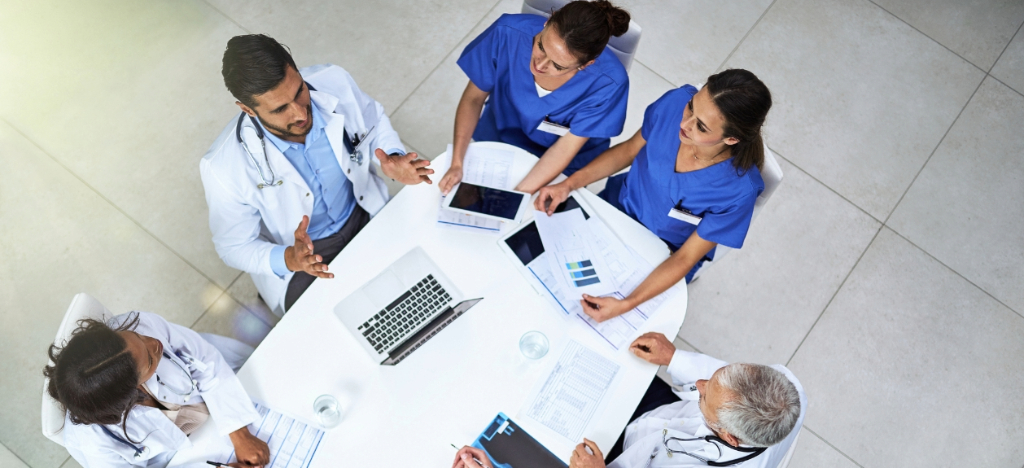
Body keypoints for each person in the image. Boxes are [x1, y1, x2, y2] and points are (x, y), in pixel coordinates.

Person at [201, 34, 433, 314]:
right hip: (304, 256)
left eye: (299, 91)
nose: (300, 113)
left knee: (420, 281)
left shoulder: (334, 80)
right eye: (280, 109)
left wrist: (392, 155)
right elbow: (234, 246)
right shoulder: (223, 167)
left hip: (363, 212)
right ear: (248, 109)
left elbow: (374, 118)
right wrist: (288, 258)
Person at [535, 69, 771, 322]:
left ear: (732, 139)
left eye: (701, 127)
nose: (684, 124)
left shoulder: (738, 190)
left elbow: (685, 258)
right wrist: (569, 184)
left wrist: (627, 304)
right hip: (617, 208)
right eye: (691, 108)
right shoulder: (673, 104)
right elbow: (627, 151)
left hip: (662, 254)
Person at [451, 332, 804, 468]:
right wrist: (673, 358)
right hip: (657, 417)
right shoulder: (786, 387)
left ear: (729, 436)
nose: (698, 382)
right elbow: (720, 378)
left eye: (705, 394)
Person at [439, 0, 631, 196]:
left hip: (565, 159)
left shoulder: (609, 84)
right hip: (502, 131)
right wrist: (456, 163)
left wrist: (514, 198)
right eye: (541, 46)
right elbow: (473, 99)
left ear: (586, 65)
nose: (540, 65)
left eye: (558, 65)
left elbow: (565, 149)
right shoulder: (507, 32)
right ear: (547, 23)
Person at [44, 311, 269, 467]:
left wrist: (239, 433)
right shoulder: (93, 441)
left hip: (224, 399)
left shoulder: (139, 322)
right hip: (186, 456)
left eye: (138, 337)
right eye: (151, 361)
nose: (154, 343)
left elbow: (206, 361)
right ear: (128, 393)